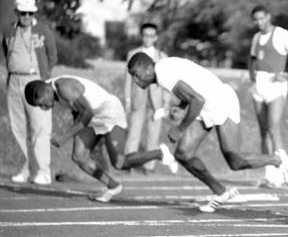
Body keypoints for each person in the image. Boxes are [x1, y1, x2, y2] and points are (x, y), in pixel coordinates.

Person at [127, 53, 288, 212]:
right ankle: (222, 193)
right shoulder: (163, 68)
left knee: (236, 161)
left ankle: (277, 159)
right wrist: (180, 106)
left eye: (136, 74)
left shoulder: (163, 73)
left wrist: (180, 128)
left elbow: (196, 99)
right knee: (183, 153)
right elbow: (192, 90)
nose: (135, 80)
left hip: (221, 102)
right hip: (206, 106)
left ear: (148, 68)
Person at [23, 75, 179, 202]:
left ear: (47, 91)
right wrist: (78, 135)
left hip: (108, 110)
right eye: (40, 107)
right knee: (79, 156)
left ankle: (159, 153)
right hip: (93, 117)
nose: (44, 108)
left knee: (119, 162)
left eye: (43, 104)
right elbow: (79, 111)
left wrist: (65, 136)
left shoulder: (63, 87)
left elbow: (87, 113)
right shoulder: (53, 93)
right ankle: (113, 186)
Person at [249, 5, 288, 188]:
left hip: (276, 85)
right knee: (263, 131)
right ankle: (271, 176)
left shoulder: (281, 34)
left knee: (274, 127)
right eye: (256, 19)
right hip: (259, 85)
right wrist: (253, 80)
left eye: (262, 18)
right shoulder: (256, 37)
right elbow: (252, 59)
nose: (260, 22)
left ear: (268, 16)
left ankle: (285, 166)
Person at [1, 0, 56, 185]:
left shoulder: (43, 30)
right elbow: (5, 52)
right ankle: (25, 169)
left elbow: (52, 54)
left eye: (30, 13)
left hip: (36, 80)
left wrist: (44, 75)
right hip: (14, 79)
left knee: (40, 126)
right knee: (18, 128)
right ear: (17, 12)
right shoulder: (9, 30)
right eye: (23, 13)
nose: (26, 16)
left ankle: (44, 171)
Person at [124, 23, 170, 174]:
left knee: (153, 135)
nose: (148, 38)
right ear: (141, 36)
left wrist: (165, 104)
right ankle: (129, 164)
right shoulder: (133, 53)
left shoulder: (162, 56)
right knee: (133, 133)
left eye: (151, 35)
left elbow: (166, 83)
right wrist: (128, 99)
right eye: (145, 35)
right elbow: (127, 80)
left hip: (156, 100)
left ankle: (148, 167)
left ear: (155, 37)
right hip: (138, 97)